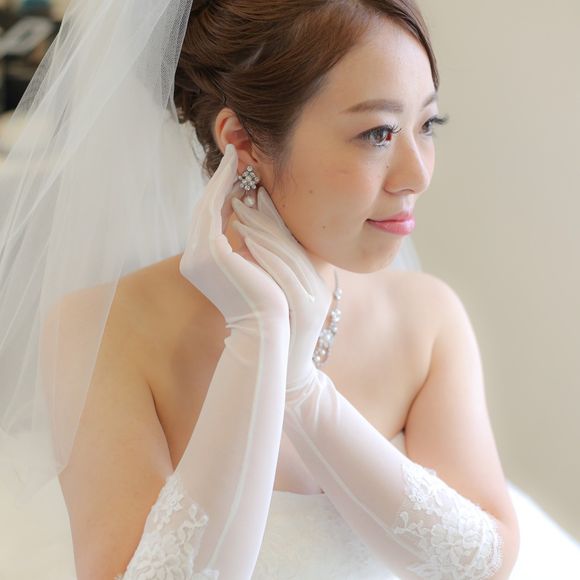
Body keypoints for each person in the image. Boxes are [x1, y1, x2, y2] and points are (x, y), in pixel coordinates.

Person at [1, 1, 578, 579]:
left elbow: (482, 566)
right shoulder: (100, 330)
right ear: (241, 142)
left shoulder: (426, 319)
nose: (418, 174)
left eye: (427, 124)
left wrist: (303, 389)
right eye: (377, 133)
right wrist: (257, 338)